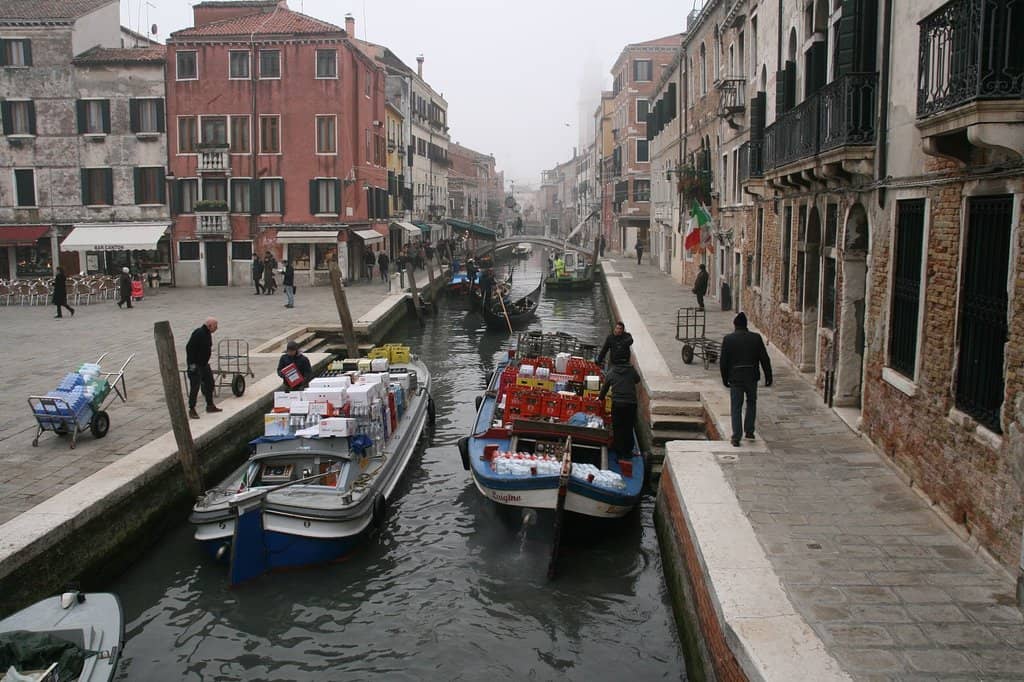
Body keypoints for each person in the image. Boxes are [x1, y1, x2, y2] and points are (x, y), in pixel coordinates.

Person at [720, 312, 773, 447]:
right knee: (751, 403)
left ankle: (736, 437)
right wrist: (768, 376)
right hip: (751, 377)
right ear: (746, 324)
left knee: (736, 407)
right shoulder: (755, 338)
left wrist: (725, 378)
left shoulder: (728, 339)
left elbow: (723, 362)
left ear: (735, 325)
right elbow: (764, 359)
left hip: (735, 378)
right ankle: (749, 431)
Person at [598, 350, 641, 459]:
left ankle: (619, 451)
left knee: (618, 427)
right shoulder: (631, 370)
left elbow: (605, 388)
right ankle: (628, 450)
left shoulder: (612, 372)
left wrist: (600, 398)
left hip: (617, 404)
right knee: (628, 426)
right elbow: (637, 380)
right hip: (631, 403)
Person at [186, 317, 222, 419]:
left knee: (210, 383)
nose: (217, 328)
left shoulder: (207, 333)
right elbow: (189, 348)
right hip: (195, 365)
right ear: (210, 326)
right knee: (195, 387)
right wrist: (192, 364)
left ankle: (210, 405)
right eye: (215, 326)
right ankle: (192, 409)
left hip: (204, 364)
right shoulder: (199, 333)